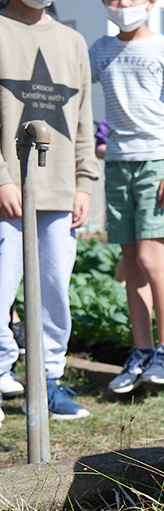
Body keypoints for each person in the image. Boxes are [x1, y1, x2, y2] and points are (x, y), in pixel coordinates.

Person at [0, 0, 97, 424]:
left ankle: (47, 381)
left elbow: (84, 120)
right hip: (7, 192)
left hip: (60, 191)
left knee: (55, 290)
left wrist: (84, 183)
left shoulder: (73, 41)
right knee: (1, 287)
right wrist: (2, 178)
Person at [89, 0, 164, 394]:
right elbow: (82, 97)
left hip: (157, 162)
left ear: (150, 3)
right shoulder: (99, 49)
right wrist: (98, 142)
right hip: (117, 164)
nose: (122, 5)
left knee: (151, 256)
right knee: (130, 262)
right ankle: (142, 352)